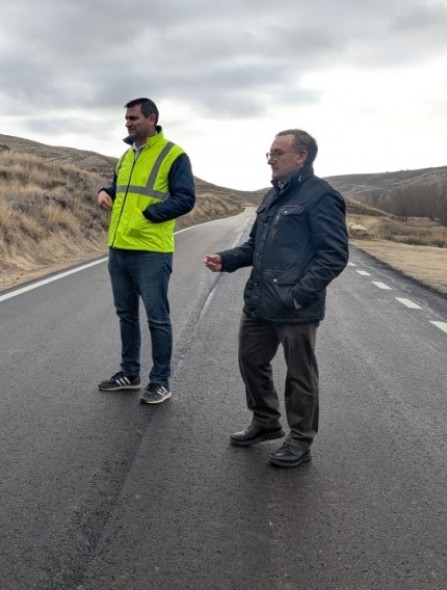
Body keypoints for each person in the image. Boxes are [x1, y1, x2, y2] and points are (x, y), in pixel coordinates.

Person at [204, 129, 348, 468]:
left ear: (301, 157)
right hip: (259, 301)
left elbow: (334, 254)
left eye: (277, 152)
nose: (270, 158)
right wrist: (227, 259)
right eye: (269, 153)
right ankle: (265, 421)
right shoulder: (271, 197)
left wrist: (300, 295)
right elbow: (255, 247)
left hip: (295, 308)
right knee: (250, 360)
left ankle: (300, 440)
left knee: (300, 376)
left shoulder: (321, 196)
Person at [96, 97, 196, 404]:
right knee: (126, 315)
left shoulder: (173, 155)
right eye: (126, 118)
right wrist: (104, 191)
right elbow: (121, 189)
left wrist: (148, 215)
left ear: (151, 119)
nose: (128, 122)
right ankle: (130, 373)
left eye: (134, 118)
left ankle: (160, 381)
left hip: (151, 251)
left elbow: (185, 199)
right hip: (119, 249)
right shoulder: (126, 156)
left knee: (157, 318)